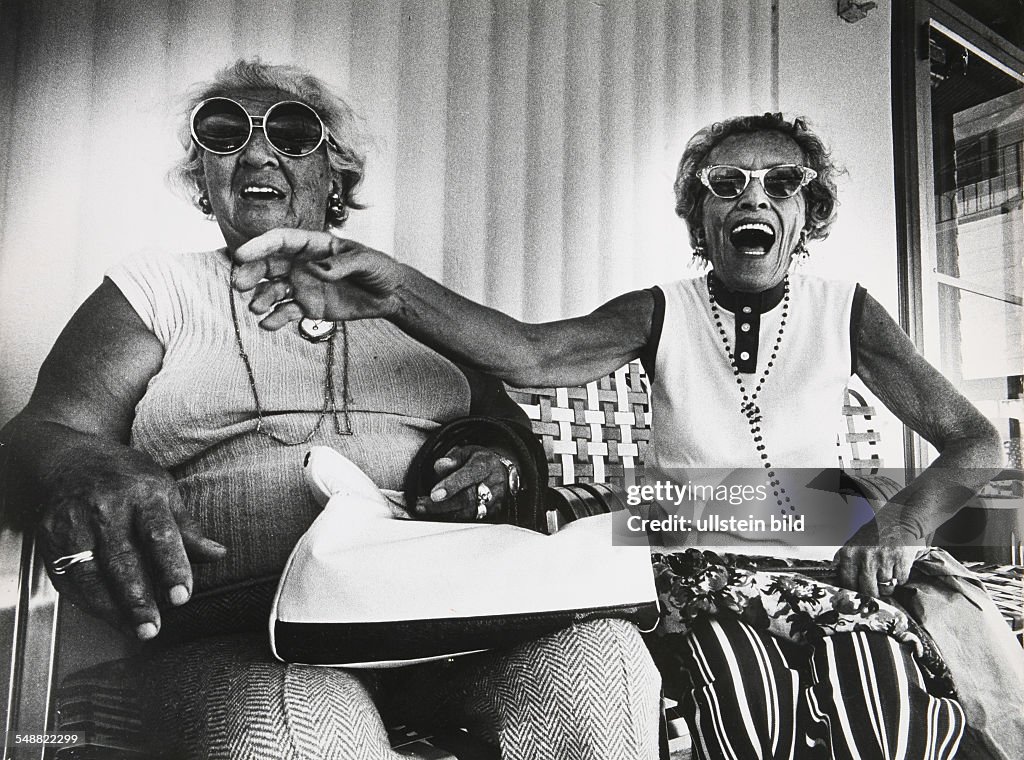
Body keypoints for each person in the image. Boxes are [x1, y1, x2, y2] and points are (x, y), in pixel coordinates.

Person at [227, 113, 1024, 758]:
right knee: (747, 710)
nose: (754, 199)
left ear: (806, 214)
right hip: (694, 566)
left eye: (782, 183)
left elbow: (975, 441)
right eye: (726, 184)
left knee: (884, 697)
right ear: (699, 218)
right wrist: (395, 289)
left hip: (832, 555)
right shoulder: (661, 308)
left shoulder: (845, 308)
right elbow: (531, 356)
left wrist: (902, 524)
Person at [0, 59, 662, 759]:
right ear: (202, 182)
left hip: (458, 622)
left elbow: (510, 433)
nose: (257, 151)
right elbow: (41, 432)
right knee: (306, 727)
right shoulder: (157, 289)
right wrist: (90, 460)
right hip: (248, 636)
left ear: (336, 179)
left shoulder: (402, 298)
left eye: (291, 133)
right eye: (223, 135)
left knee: (600, 662)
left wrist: (495, 466)